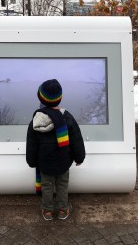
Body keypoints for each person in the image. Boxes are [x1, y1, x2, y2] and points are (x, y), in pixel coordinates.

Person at [26, 79, 86, 221]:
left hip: (45, 163)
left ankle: (47, 211)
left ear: (40, 98)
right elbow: (76, 139)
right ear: (60, 98)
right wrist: (79, 157)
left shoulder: (36, 120)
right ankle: (63, 210)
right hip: (63, 161)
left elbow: (32, 144)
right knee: (62, 185)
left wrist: (31, 161)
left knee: (47, 186)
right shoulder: (67, 117)